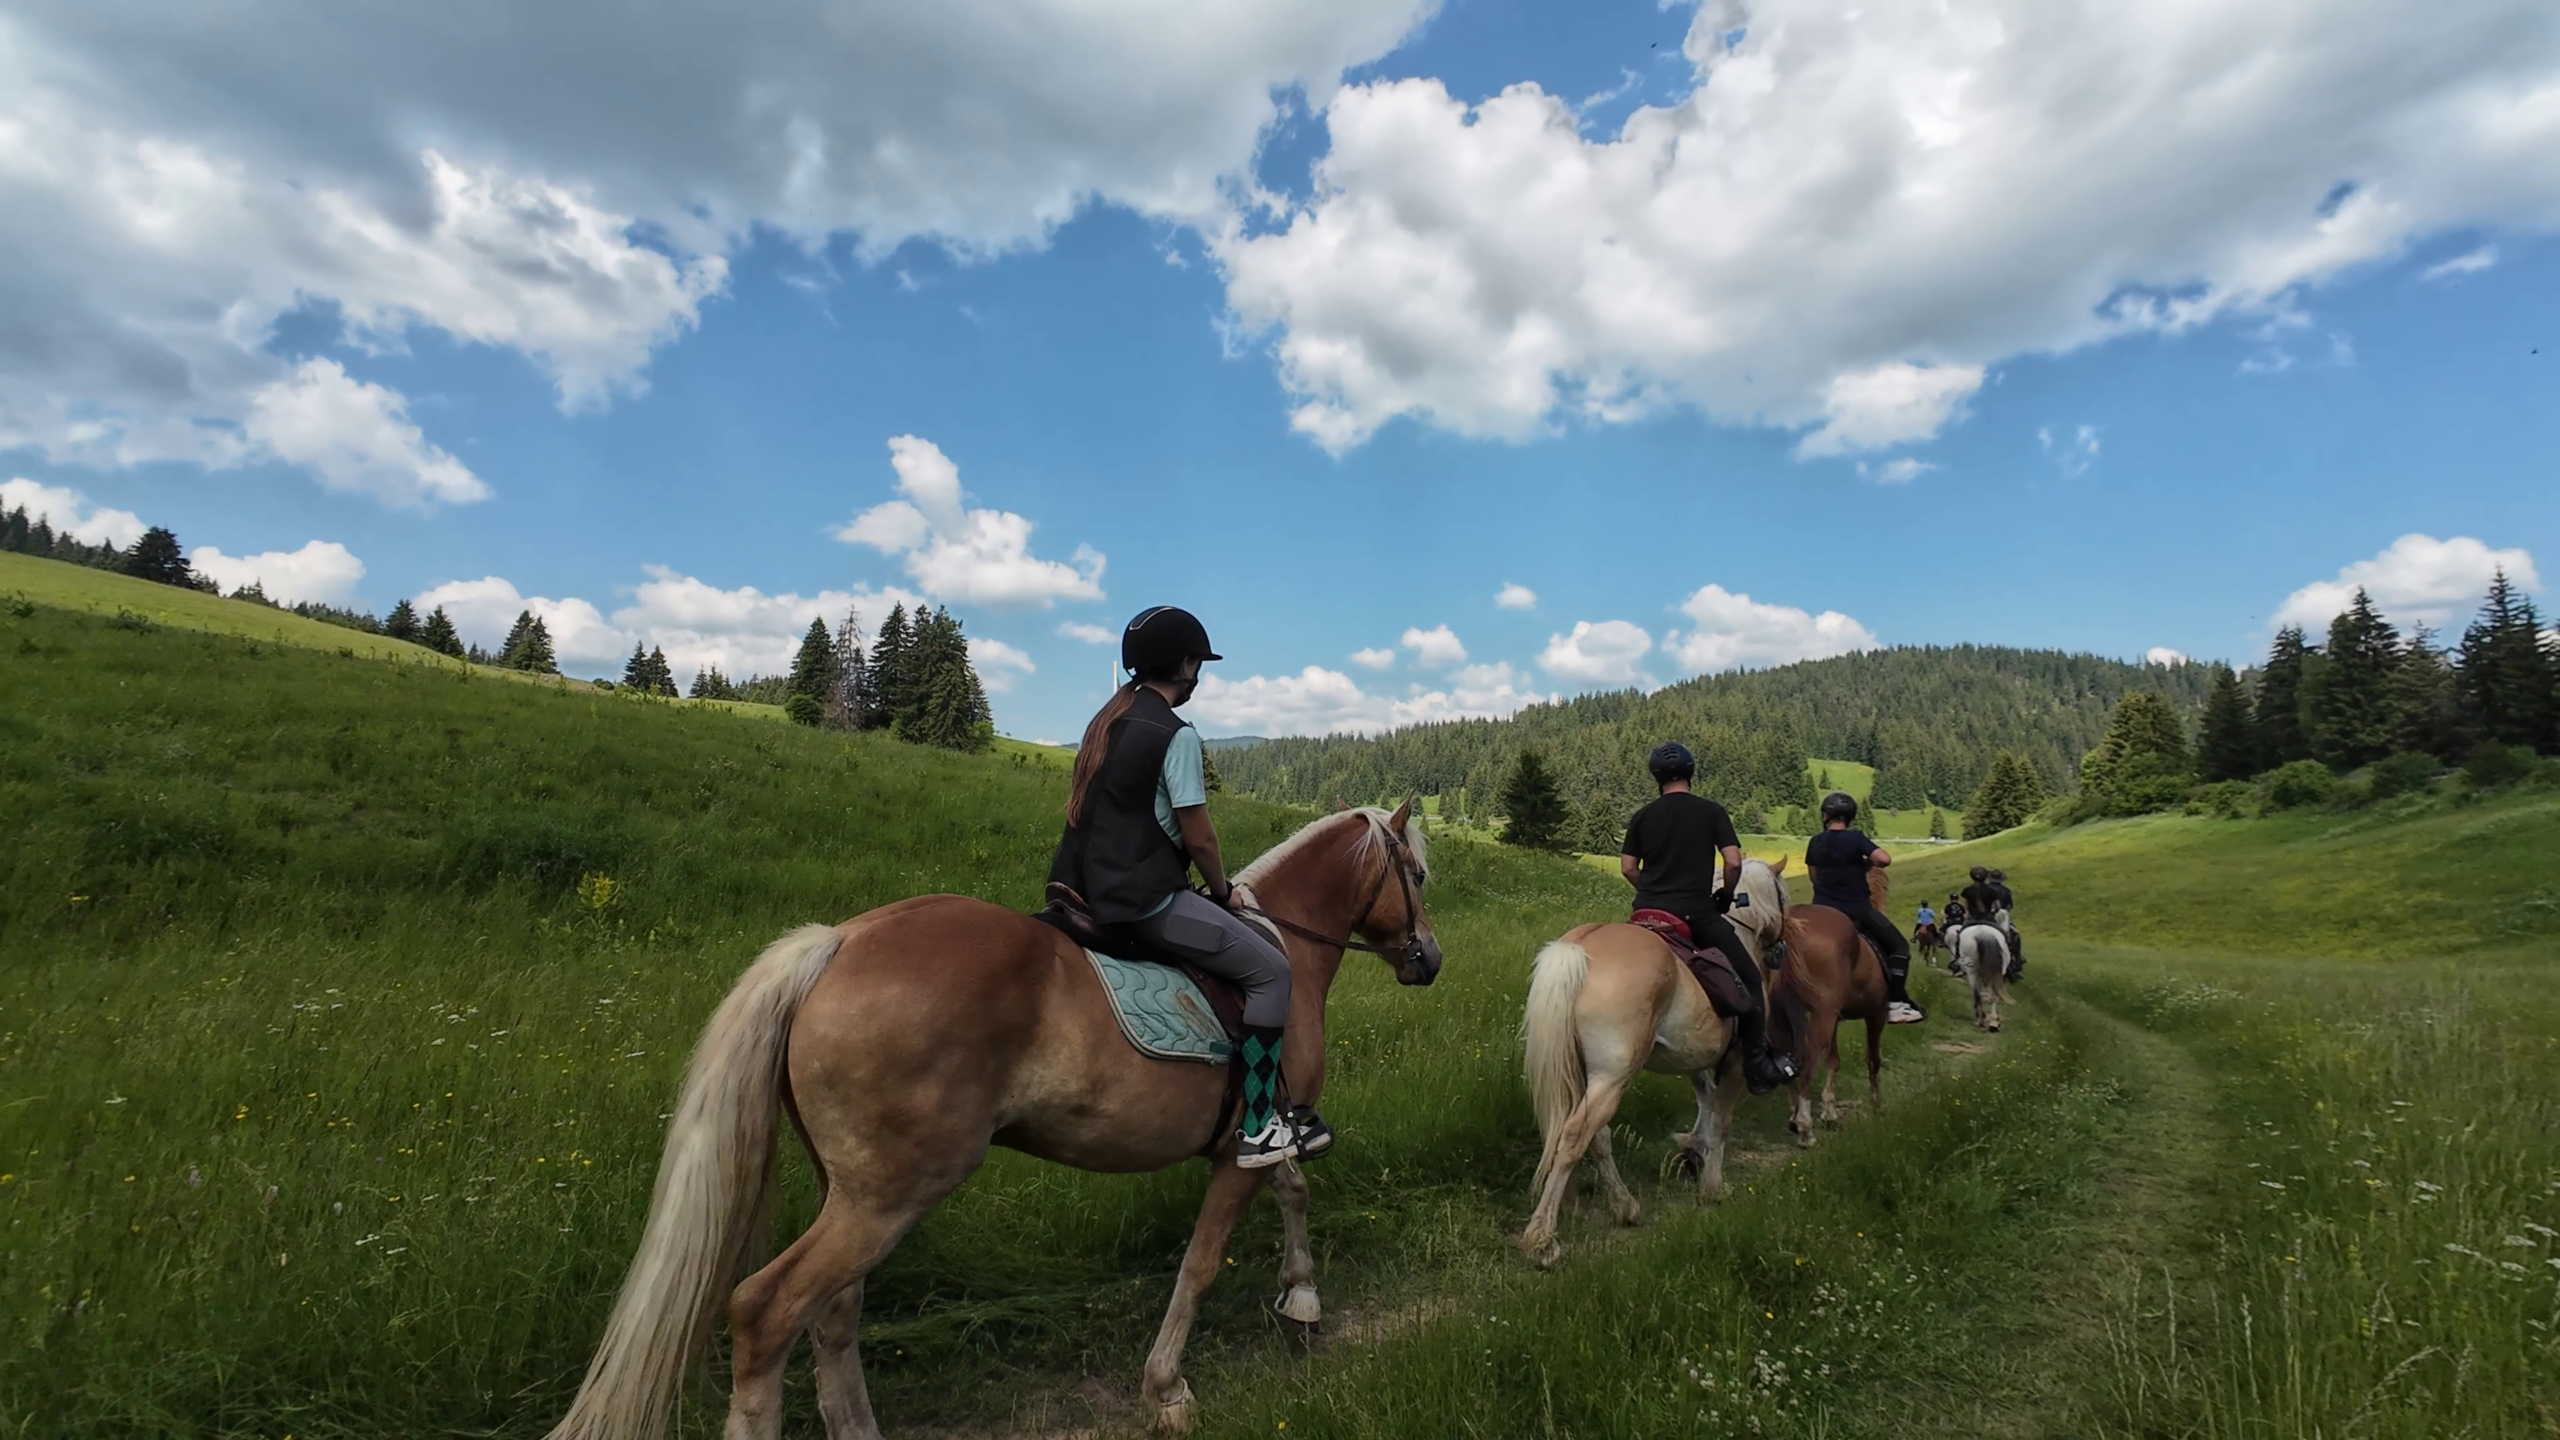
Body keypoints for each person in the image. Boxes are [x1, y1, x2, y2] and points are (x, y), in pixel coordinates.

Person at [1048, 606, 1324, 1169]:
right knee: (1271, 970)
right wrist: (1224, 892)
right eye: (1198, 663)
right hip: (1138, 899)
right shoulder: (1175, 735)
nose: (1199, 674)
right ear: (1186, 665)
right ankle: (1259, 1125)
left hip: (1077, 887)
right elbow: (1199, 836)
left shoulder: (1109, 722)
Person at [1619, 742, 1800, 1093]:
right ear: (1691, 772)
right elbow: (1733, 862)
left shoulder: (1642, 816)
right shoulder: (1711, 811)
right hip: (1695, 913)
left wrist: (1654, 887)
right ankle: (1757, 1063)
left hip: (1646, 914)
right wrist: (1726, 894)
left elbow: (1628, 868)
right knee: (1750, 978)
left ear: (1656, 777)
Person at [1804, 792, 1925, 1023]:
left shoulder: (1816, 841)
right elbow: (1884, 859)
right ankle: (1896, 1003)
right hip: (1855, 907)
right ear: (1850, 816)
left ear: (1826, 815)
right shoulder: (1856, 837)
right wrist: (1866, 861)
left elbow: (1813, 876)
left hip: (1821, 907)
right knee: (1899, 946)